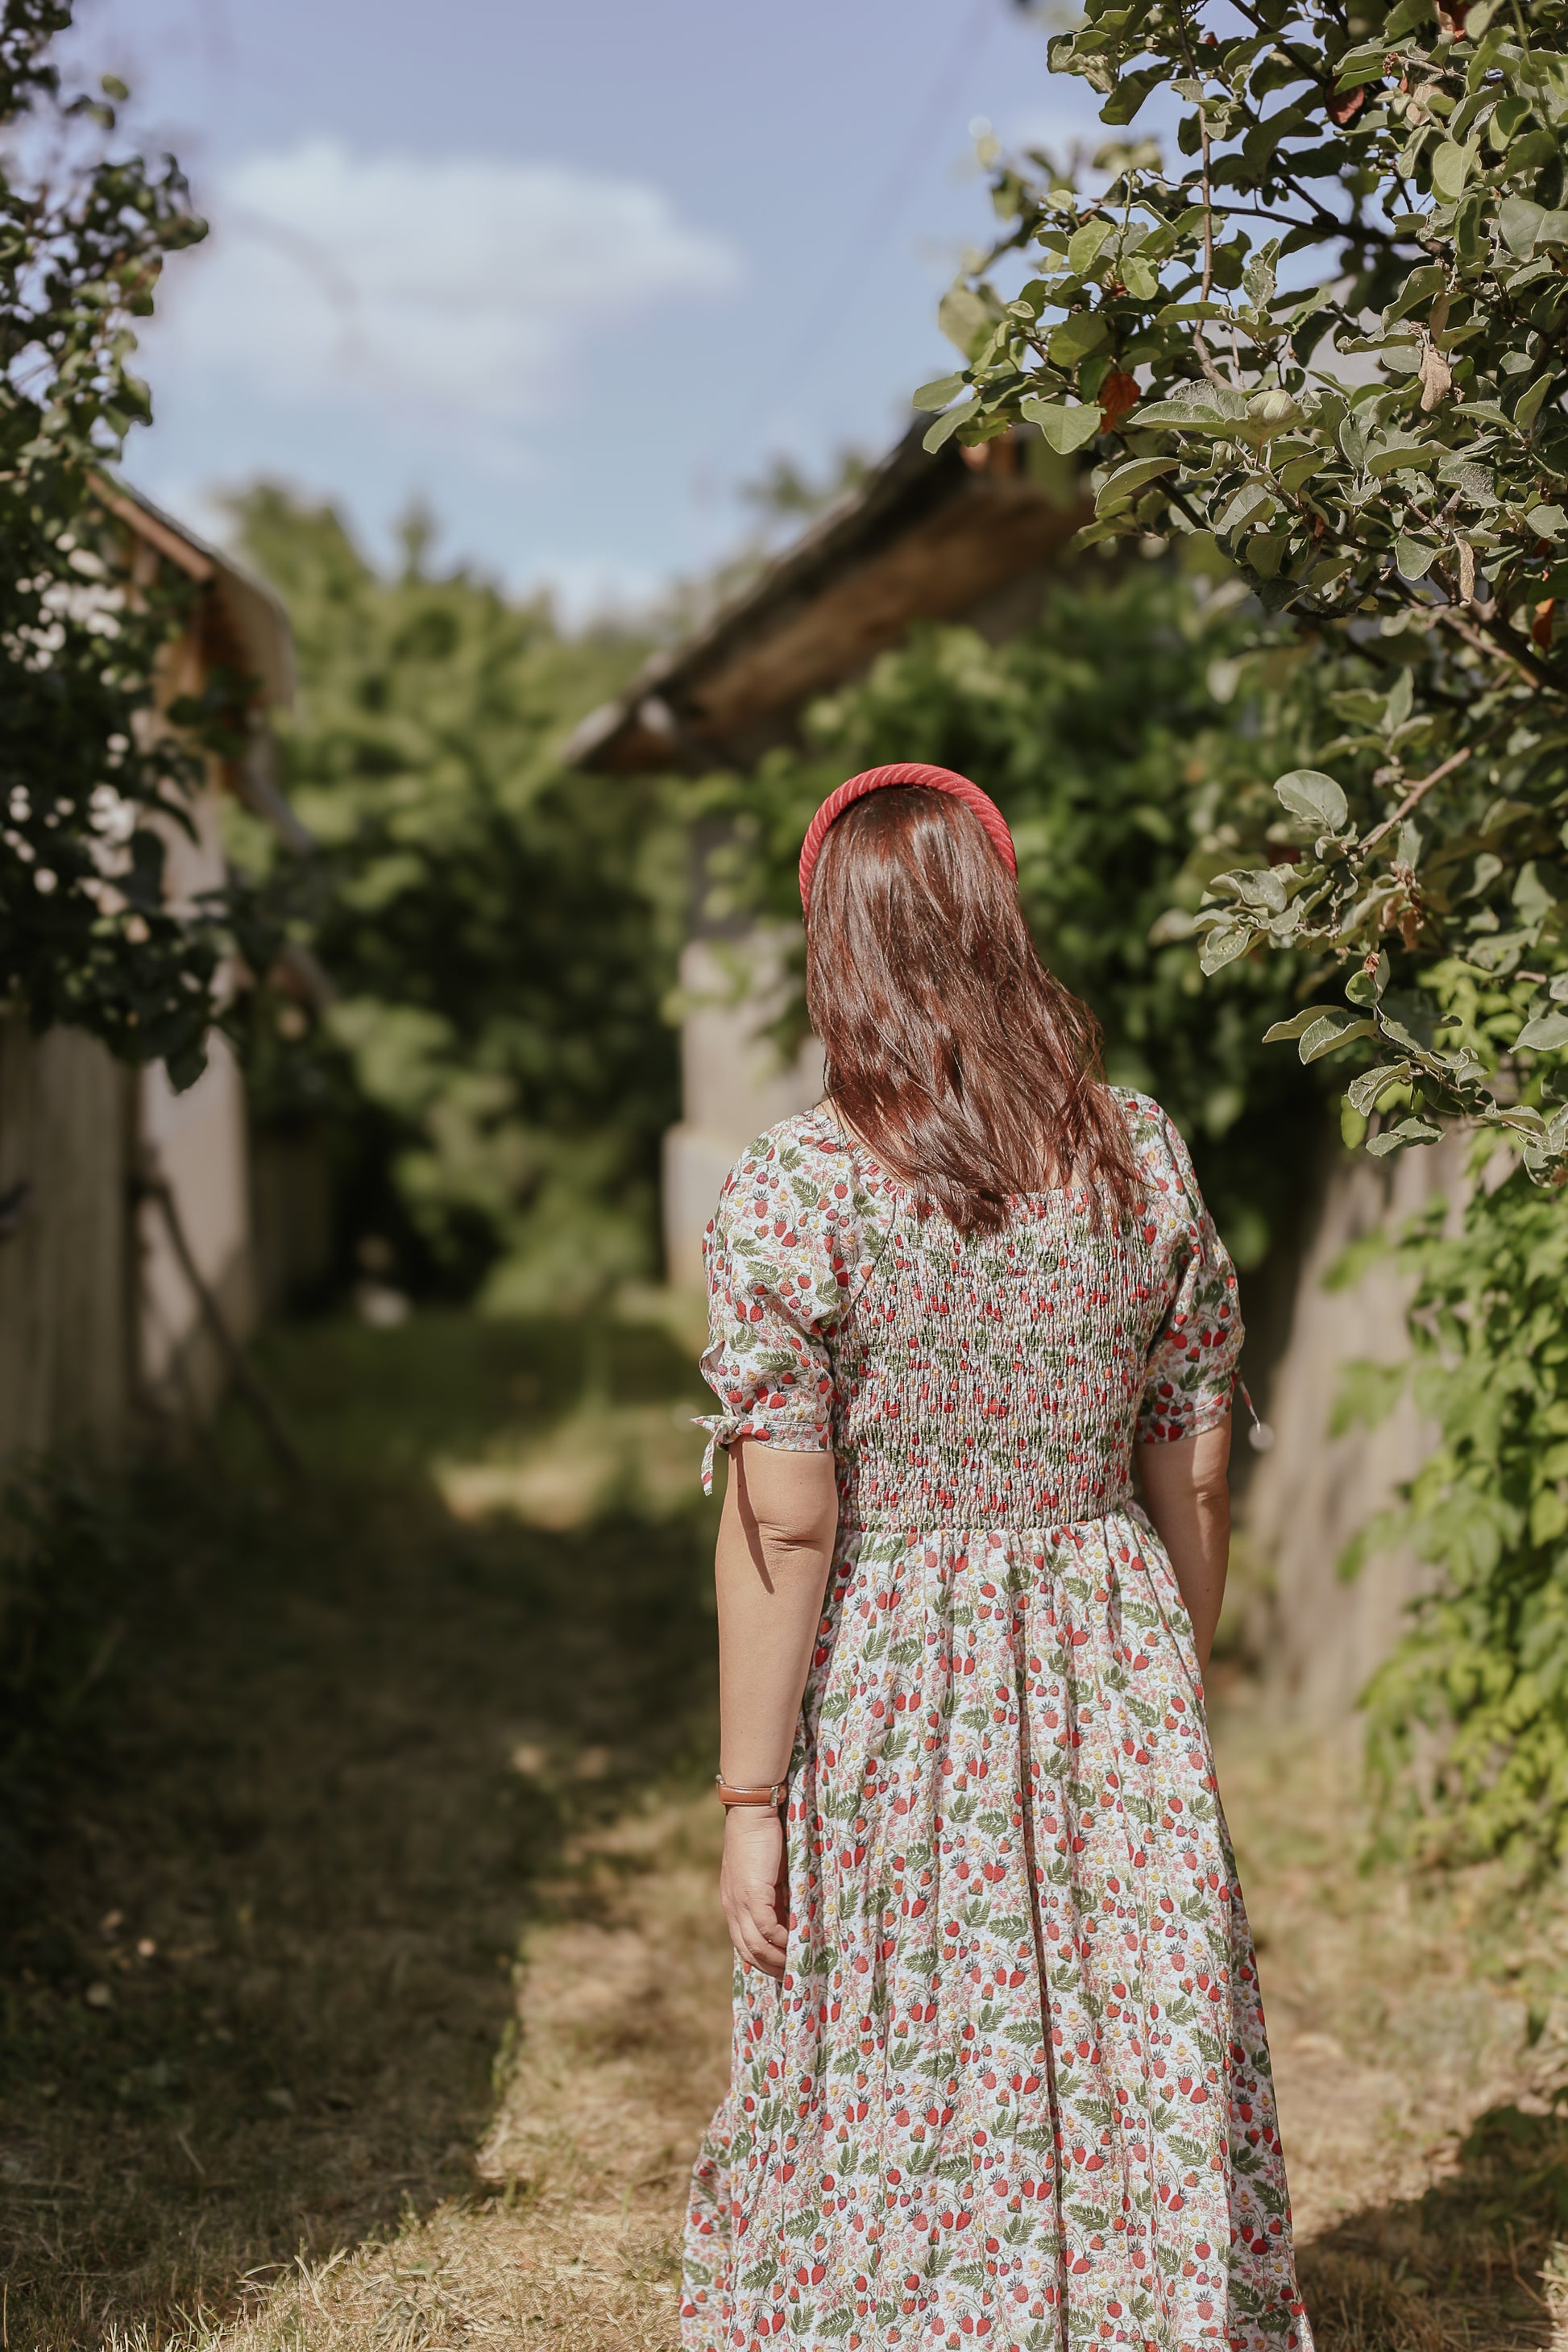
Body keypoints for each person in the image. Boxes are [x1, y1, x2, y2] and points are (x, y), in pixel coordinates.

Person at [681, 763, 1313, 2352]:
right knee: (1121, 2033)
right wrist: (1166, 1667)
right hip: (1109, 1636)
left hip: (881, 1670)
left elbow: (790, 1515)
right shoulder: (1141, 1159)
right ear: (1000, 920)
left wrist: (751, 1798)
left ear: (838, 948)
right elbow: (1200, 1462)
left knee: (884, 2028)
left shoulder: (794, 1189)